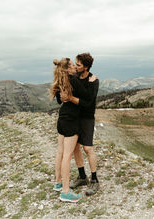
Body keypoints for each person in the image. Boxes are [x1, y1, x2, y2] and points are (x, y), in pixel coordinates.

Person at [49, 57, 92, 203]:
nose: (74, 67)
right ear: (67, 69)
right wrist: (90, 82)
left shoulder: (60, 80)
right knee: (67, 156)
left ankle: (58, 183)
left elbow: (59, 101)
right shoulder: (73, 80)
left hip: (62, 118)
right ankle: (66, 192)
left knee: (60, 152)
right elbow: (87, 98)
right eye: (72, 65)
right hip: (72, 120)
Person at [60, 53, 100, 196]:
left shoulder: (93, 81)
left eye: (78, 65)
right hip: (75, 117)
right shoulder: (75, 78)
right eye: (75, 64)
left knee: (88, 148)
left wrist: (70, 98)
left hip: (87, 118)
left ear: (86, 67)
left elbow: (88, 103)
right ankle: (82, 176)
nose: (76, 67)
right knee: (76, 148)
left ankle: (94, 179)